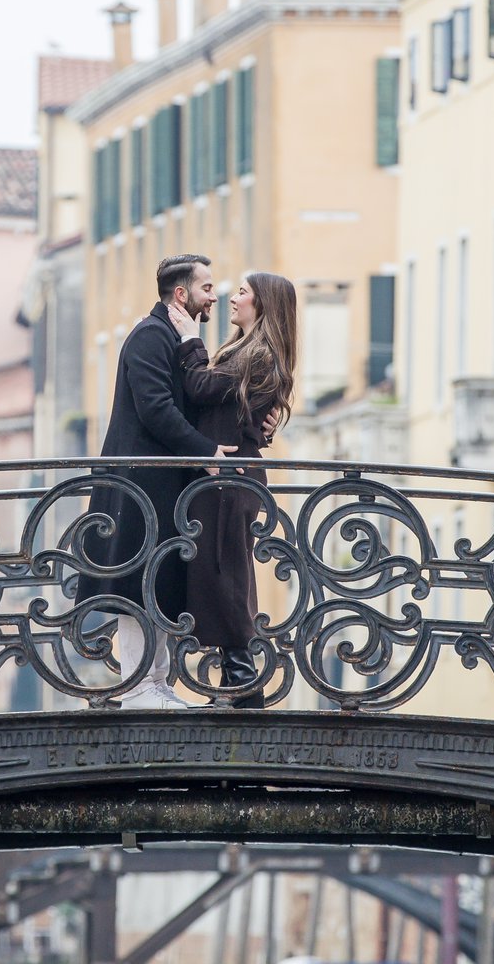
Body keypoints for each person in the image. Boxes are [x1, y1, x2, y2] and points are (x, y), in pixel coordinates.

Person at [74, 254, 238, 710]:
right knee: (136, 582)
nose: (214, 296)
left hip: (158, 481)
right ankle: (139, 687)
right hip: (139, 483)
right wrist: (207, 452)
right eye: (207, 287)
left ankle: (155, 683)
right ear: (181, 294)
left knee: (159, 577)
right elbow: (155, 409)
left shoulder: (172, 336)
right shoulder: (150, 336)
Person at [166, 272, 298, 710]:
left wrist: (190, 341)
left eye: (242, 292)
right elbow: (235, 409)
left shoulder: (259, 354)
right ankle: (238, 684)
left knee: (225, 576)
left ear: (263, 305)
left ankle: (243, 685)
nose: (233, 298)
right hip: (222, 478)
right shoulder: (246, 351)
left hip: (228, 481)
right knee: (219, 574)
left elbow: (202, 388)